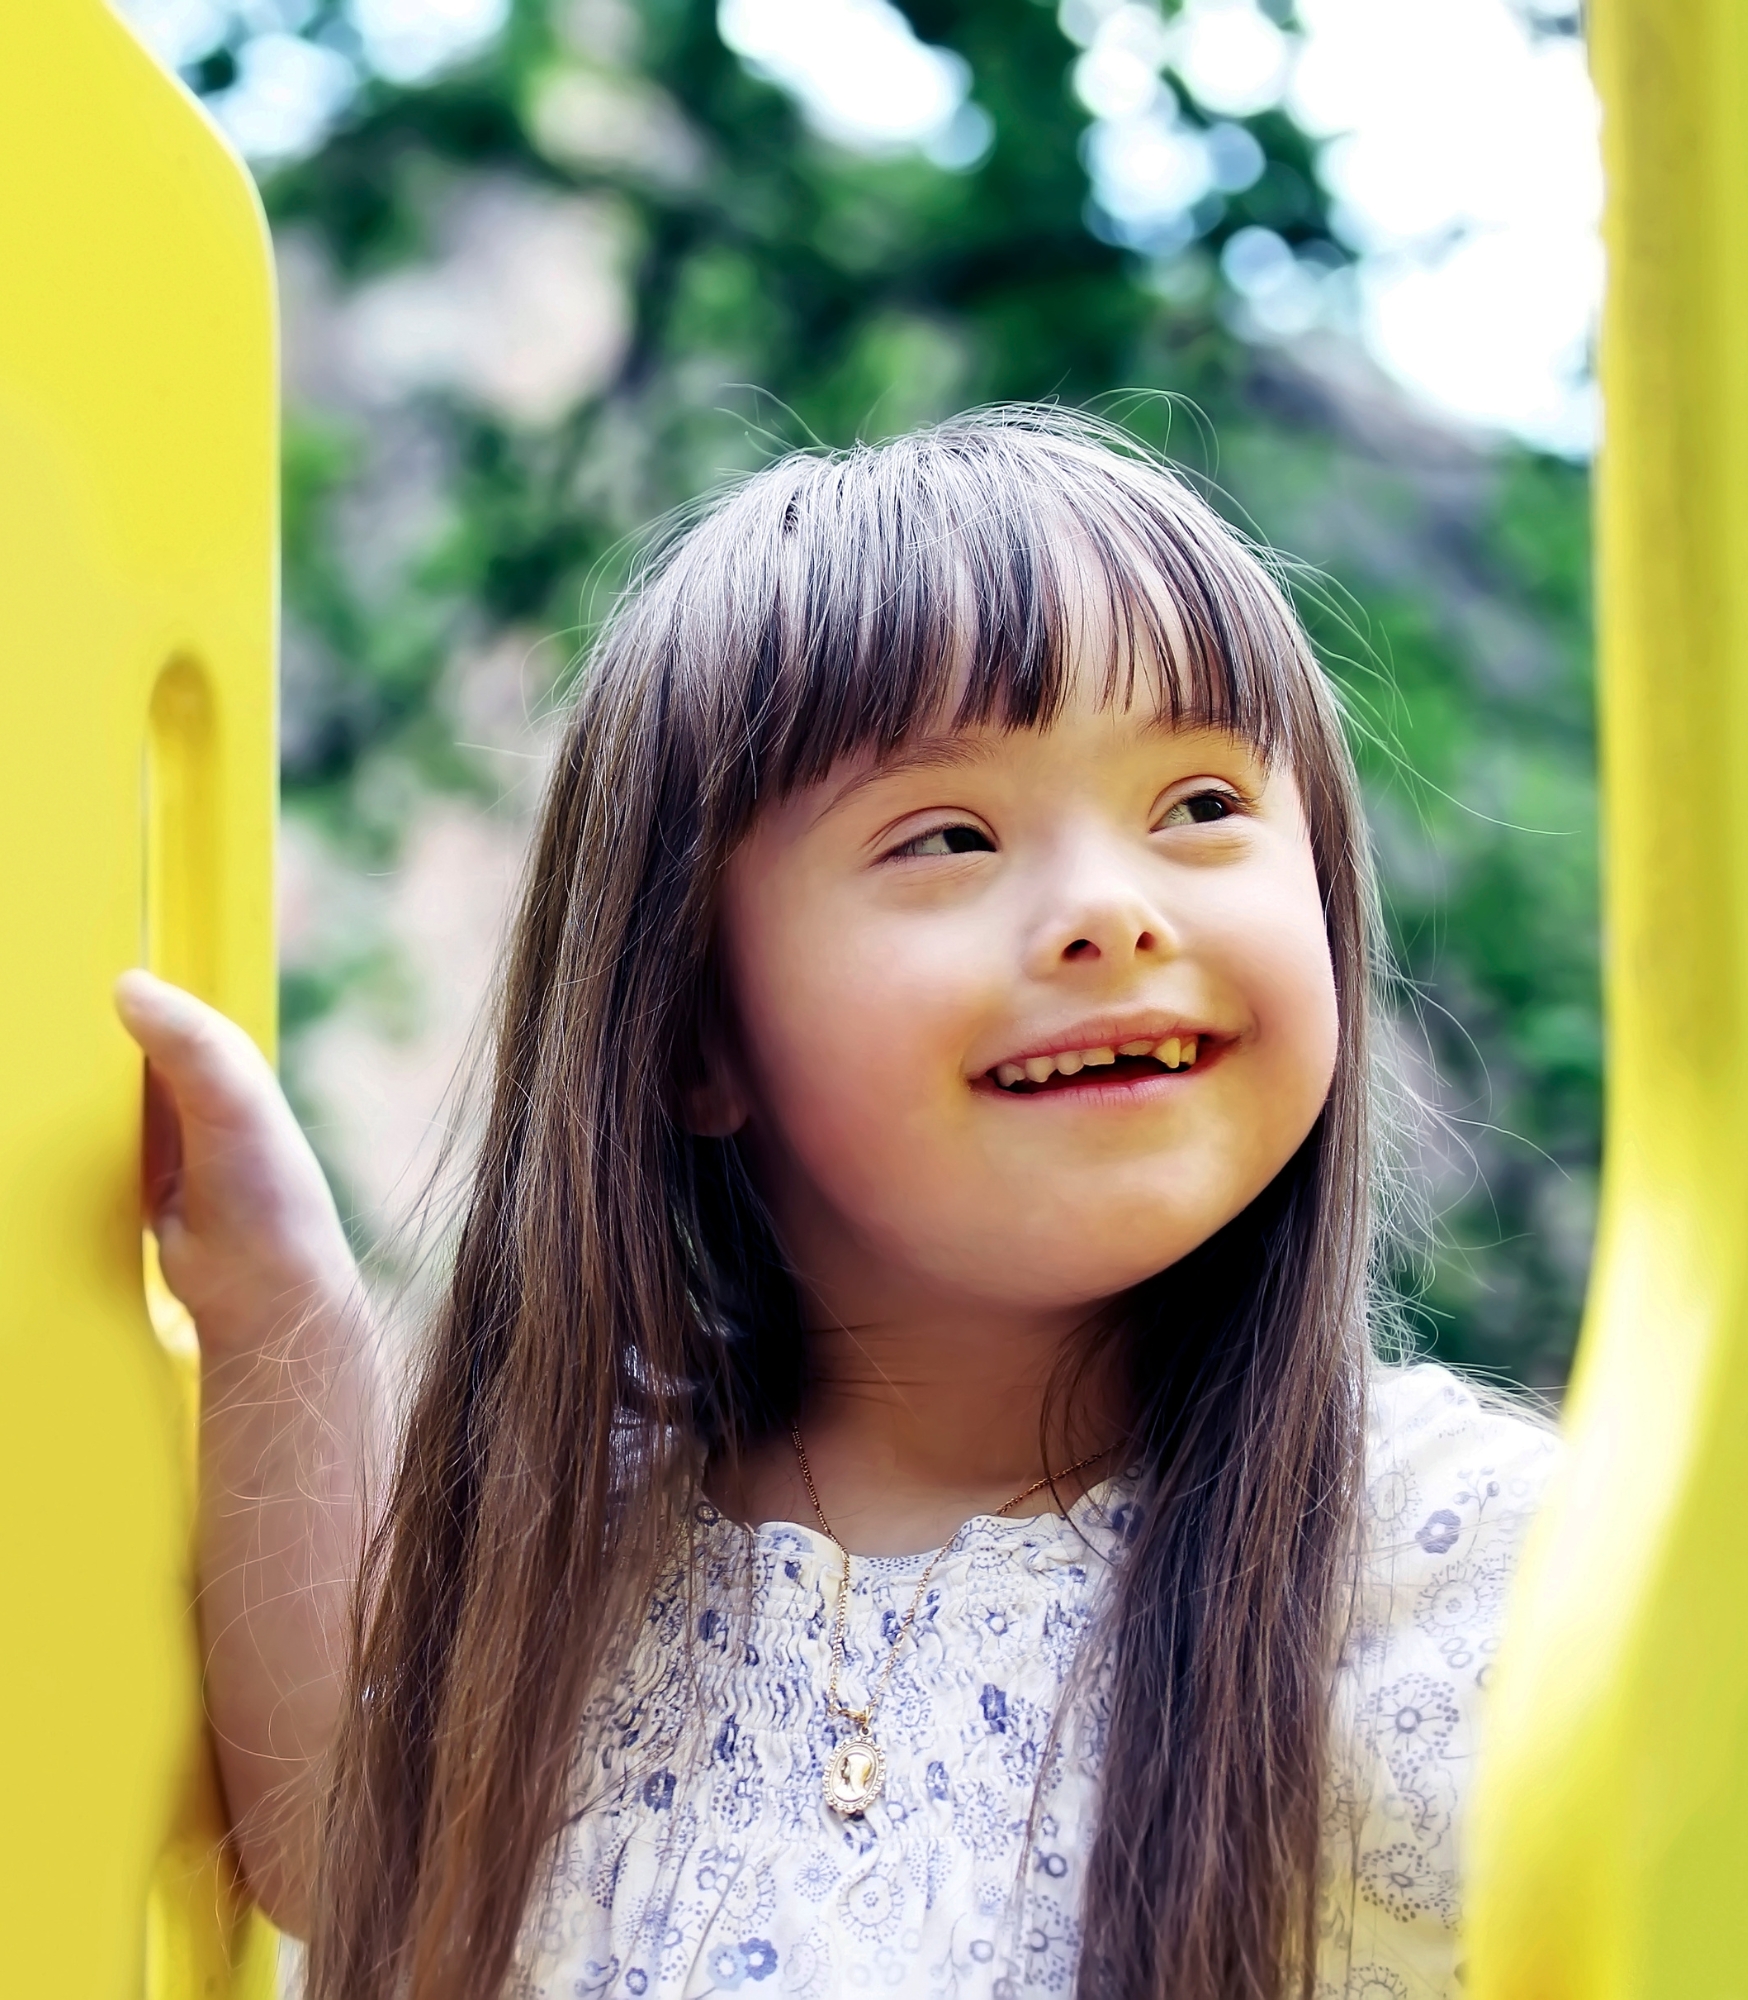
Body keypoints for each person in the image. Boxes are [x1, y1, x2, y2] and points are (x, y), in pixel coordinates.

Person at [117, 412, 1556, 2000]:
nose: (1108, 910)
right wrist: (275, 1312)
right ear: (694, 1031)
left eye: (1202, 804)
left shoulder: (1474, 1563)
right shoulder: (583, 1555)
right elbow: (346, 1855)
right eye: (948, 835)